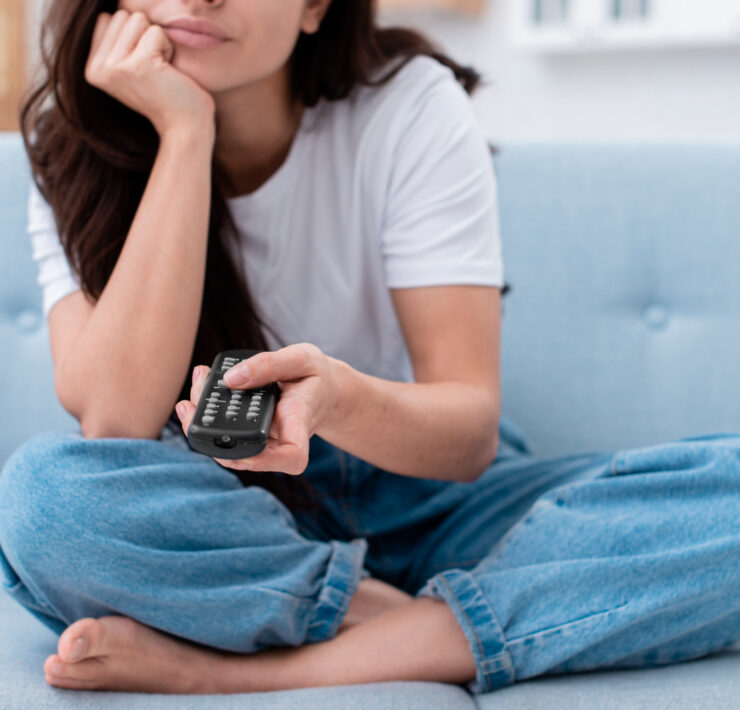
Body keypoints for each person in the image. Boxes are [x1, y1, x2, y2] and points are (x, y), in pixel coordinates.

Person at [0, 0, 738, 697]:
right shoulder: (70, 145)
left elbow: (468, 435)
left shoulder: (409, 105)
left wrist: (341, 400)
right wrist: (185, 133)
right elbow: (113, 420)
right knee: (48, 499)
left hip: (421, 496)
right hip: (224, 526)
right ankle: (413, 617)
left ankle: (270, 669)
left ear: (317, 4)